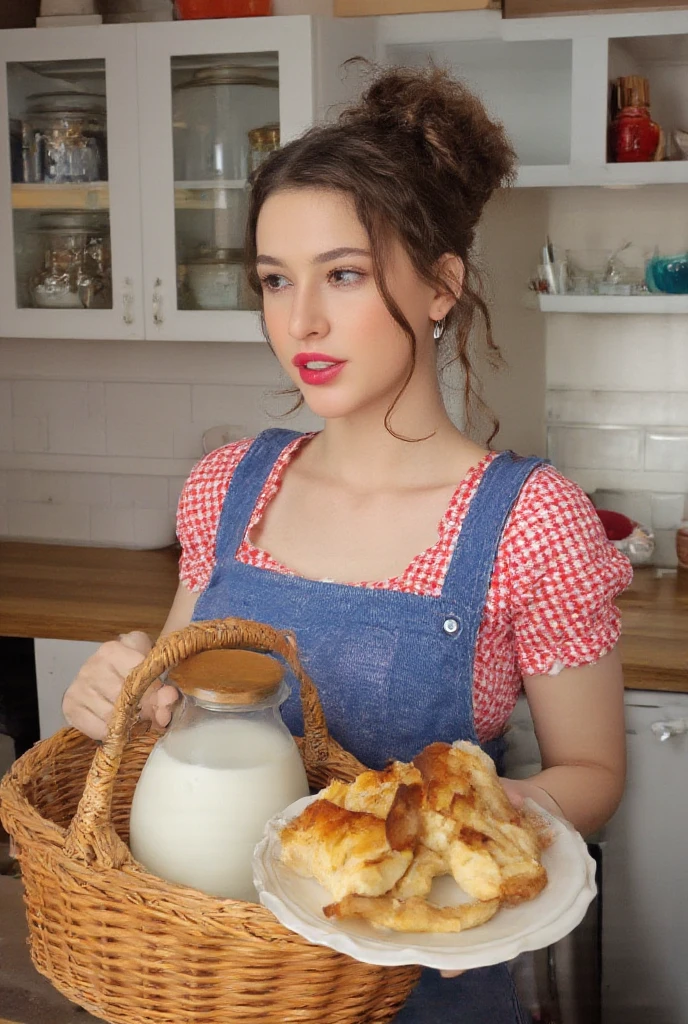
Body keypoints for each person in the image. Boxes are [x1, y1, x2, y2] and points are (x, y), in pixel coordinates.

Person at [62, 65, 631, 1023]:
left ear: (443, 284)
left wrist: (460, 861)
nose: (302, 322)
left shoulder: (530, 521)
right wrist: (125, 692)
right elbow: (180, 696)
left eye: (345, 275)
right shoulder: (227, 486)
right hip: (215, 983)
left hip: (414, 989)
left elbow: (596, 775)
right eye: (277, 281)